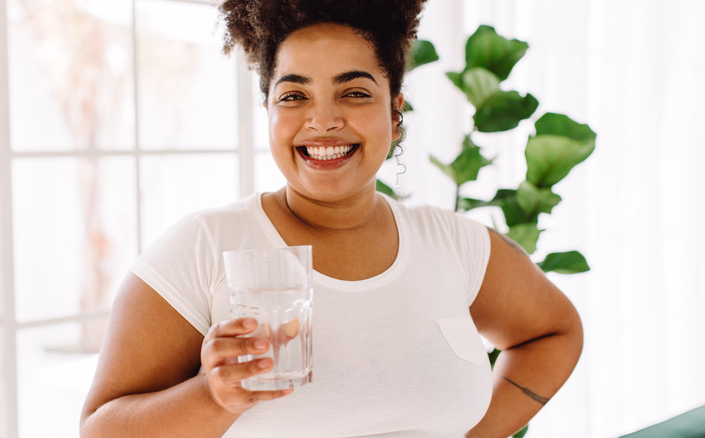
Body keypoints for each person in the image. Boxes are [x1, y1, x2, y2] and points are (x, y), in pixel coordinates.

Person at [80, 1, 583, 437]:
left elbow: (554, 333)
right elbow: (101, 430)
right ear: (269, 112)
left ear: (395, 112)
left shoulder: (453, 243)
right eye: (294, 96)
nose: (322, 120)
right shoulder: (206, 245)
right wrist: (212, 397)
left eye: (355, 92)